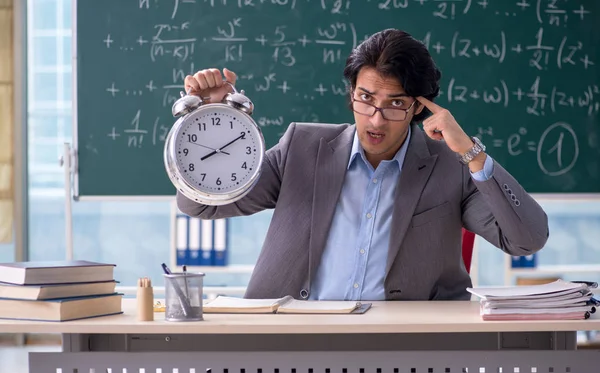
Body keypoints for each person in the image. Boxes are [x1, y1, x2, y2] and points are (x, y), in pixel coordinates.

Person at [177, 29, 549, 301]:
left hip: (407, 354)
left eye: (395, 104)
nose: (375, 119)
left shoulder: (450, 166)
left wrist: (471, 153)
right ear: (351, 92)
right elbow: (200, 204)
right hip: (294, 340)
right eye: (365, 98)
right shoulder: (302, 148)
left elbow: (527, 240)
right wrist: (210, 117)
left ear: (420, 107)